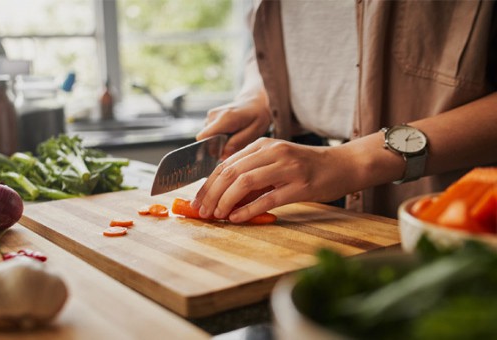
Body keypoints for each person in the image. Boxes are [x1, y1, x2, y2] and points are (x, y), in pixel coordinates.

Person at [191, 0, 497, 222]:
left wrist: (352, 161)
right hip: (301, 177)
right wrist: (258, 95)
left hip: (447, 198)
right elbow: (270, 44)